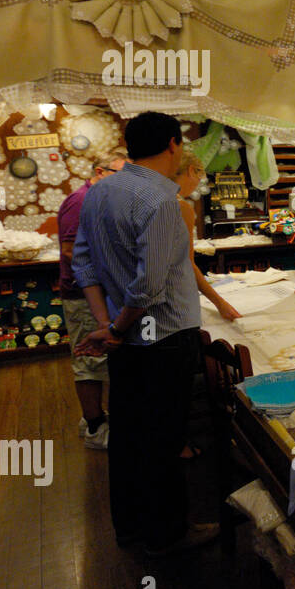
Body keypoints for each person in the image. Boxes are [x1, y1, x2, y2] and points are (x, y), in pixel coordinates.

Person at [72, 111, 218, 557]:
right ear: (174, 144)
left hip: (127, 341)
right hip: (163, 339)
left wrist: (106, 326)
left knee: (130, 436)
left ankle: (130, 529)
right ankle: (167, 536)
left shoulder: (99, 193)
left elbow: (84, 263)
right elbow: (150, 285)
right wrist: (114, 328)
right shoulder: (160, 199)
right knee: (164, 439)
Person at [174, 151, 240, 461]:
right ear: (189, 170)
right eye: (198, 177)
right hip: (175, 307)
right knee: (178, 380)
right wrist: (220, 302)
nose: (197, 184)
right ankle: (179, 445)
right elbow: (187, 265)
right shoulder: (179, 208)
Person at [57, 152, 125, 450]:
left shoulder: (101, 199)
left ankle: (95, 417)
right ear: (99, 171)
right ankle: (95, 427)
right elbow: (71, 250)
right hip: (84, 293)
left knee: (99, 359)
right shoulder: (81, 199)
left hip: (99, 292)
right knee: (89, 360)